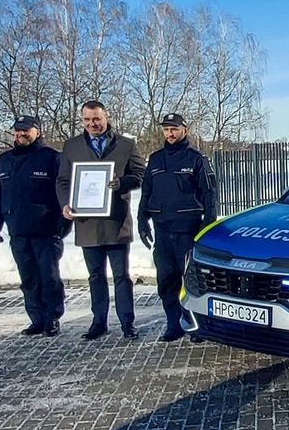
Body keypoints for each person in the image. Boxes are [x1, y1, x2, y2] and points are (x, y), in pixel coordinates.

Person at [57, 100, 147, 340]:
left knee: (121, 277)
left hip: (116, 223)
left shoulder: (125, 145)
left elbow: (140, 175)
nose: (92, 124)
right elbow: (63, 180)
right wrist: (65, 203)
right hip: (87, 223)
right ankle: (99, 322)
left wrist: (122, 183)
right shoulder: (72, 146)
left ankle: (127, 322)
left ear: (106, 118)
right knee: (95, 276)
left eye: (96, 119)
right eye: (87, 120)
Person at [138, 112, 217, 343]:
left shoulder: (196, 159)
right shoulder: (155, 159)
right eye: (166, 129)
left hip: (188, 230)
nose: (170, 134)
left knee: (191, 281)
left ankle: (195, 325)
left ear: (184, 130)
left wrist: (208, 224)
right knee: (166, 279)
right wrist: (142, 220)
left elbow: (209, 194)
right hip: (162, 231)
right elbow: (146, 192)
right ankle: (174, 324)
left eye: (174, 129)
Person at [0, 115, 66, 337]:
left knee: (49, 278)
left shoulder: (51, 158)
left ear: (37, 132)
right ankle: (36, 319)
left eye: (26, 130)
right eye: (18, 130)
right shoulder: (5, 161)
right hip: (18, 231)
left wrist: (63, 224)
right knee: (29, 278)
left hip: (46, 231)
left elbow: (64, 193)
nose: (21, 134)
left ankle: (52, 318)